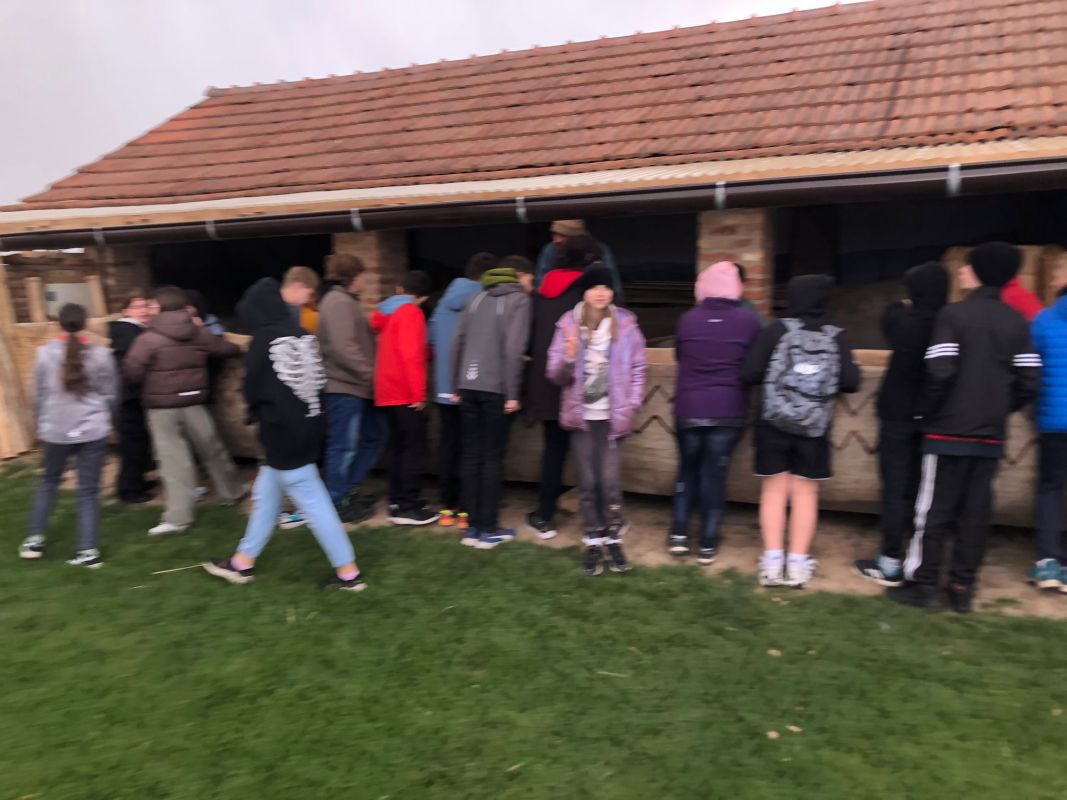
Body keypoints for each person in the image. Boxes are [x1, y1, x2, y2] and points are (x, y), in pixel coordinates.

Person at [889, 242, 1040, 613]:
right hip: (990, 434)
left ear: (981, 272)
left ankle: (924, 585)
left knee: (932, 512)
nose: (961, 270)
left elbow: (939, 372)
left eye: (968, 265)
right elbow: (1029, 381)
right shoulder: (1017, 322)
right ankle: (962, 588)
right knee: (975, 515)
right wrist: (999, 408)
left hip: (945, 433)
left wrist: (926, 414)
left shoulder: (953, 315)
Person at [202, 278, 367, 591]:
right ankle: (242, 563)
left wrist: (255, 413)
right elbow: (318, 383)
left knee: (315, 506)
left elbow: (252, 388)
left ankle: (349, 574)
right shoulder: (303, 335)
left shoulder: (262, 341)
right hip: (310, 426)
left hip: (282, 435)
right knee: (266, 497)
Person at [742, 274, 861, 589]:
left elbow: (749, 372)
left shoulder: (774, 332)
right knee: (805, 494)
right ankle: (796, 565)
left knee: (774, 491)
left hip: (773, 423)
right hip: (814, 427)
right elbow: (851, 382)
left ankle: (772, 562)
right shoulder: (836, 336)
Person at [547, 264, 647, 576]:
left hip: (612, 418)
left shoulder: (627, 325)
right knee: (588, 484)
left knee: (610, 483)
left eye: (605, 287)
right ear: (584, 293)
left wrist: (631, 404)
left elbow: (639, 368)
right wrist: (569, 356)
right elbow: (555, 375)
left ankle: (612, 537)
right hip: (583, 418)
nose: (601, 293)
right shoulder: (567, 325)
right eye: (594, 287)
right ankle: (592, 539)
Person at [123, 285, 245, 535]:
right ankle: (233, 492)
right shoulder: (197, 332)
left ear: (160, 307)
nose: (149, 308)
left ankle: (178, 519)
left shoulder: (147, 338)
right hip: (194, 402)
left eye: (152, 304)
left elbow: (131, 370)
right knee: (212, 449)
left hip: (161, 408)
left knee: (174, 462)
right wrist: (241, 347)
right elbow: (225, 349)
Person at [854, 262, 948, 586]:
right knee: (921, 490)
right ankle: (919, 559)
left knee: (894, 489)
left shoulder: (903, 322)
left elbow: (889, 315)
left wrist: (904, 305)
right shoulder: (947, 325)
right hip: (931, 417)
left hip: (897, 416)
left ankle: (890, 561)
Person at [669, 262, 761, 564]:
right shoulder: (749, 321)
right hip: (728, 408)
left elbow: (680, 356)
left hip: (689, 407)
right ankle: (707, 542)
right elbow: (755, 365)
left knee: (687, 469)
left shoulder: (687, 319)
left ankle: (678, 534)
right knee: (714, 474)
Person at [20, 303, 118, 567]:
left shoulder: (44, 354)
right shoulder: (101, 355)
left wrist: (40, 425)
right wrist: (107, 421)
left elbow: (39, 395)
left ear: (58, 324)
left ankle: (34, 541)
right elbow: (110, 394)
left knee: (49, 481)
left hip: (56, 429)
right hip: (92, 429)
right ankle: (89, 552)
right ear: (86, 323)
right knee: (88, 491)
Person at [523, 235, 599, 539]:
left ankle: (544, 516)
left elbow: (530, 341)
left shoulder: (541, 294)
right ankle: (595, 522)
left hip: (547, 384)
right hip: (583, 387)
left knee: (553, 452)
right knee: (589, 452)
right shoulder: (590, 295)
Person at [450, 265, 531, 549]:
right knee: (492, 457)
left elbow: (457, 342)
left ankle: (472, 528)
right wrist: (512, 393)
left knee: (471, 455)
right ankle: (488, 528)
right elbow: (514, 349)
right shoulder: (519, 301)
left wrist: (456, 384)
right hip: (496, 388)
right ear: (516, 279)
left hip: (467, 385)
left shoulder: (474, 299)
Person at [428, 251, 494, 528]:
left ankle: (447, 507)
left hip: (444, 388)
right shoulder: (484, 300)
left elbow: (431, 339)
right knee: (471, 448)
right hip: (470, 385)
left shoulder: (443, 302)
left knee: (448, 445)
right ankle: (467, 510)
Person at [316, 256, 384, 523]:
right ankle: (335, 500)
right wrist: (371, 375)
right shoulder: (338, 302)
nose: (365, 280)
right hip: (344, 387)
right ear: (353, 277)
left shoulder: (343, 301)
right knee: (342, 445)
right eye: (363, 275)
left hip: (356, 387)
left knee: (374, 437)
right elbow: (344, 348)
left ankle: (346, 489)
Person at [372, 270, 437, 525]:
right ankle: (408, 506)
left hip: (386, 391)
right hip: (405, 392)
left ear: (400, 289)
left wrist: (426, 351)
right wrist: (418, 394)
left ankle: (397, 500)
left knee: (398, 449)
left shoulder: (386, 313)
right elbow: (411, 356)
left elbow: (400, 348)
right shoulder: (411, 312)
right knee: (413, 449)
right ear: (424, 297)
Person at [1030, 264, 1067, 591]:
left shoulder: (1044, 320)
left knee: (1050, 489)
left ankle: (1049, 563)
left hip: (1054, 420)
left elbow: (1030, 368)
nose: (1054, 275)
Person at [109, 289, 156, 503]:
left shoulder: (135, 330)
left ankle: (137, 481)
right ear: (125, 310)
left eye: (145, 305)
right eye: (137, 307)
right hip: (128, 397)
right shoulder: (128, 332)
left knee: (139, 442)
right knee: (132, 444)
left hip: (132, 396)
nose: (143, 310)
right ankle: (127, 490)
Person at [534, 220, 624, 302]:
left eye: (563, 236)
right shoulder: (550, 250)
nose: (556, 240)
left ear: (577, 237)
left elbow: (613, 284)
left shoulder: (599, 249)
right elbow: (540, 284)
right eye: (554, 234)